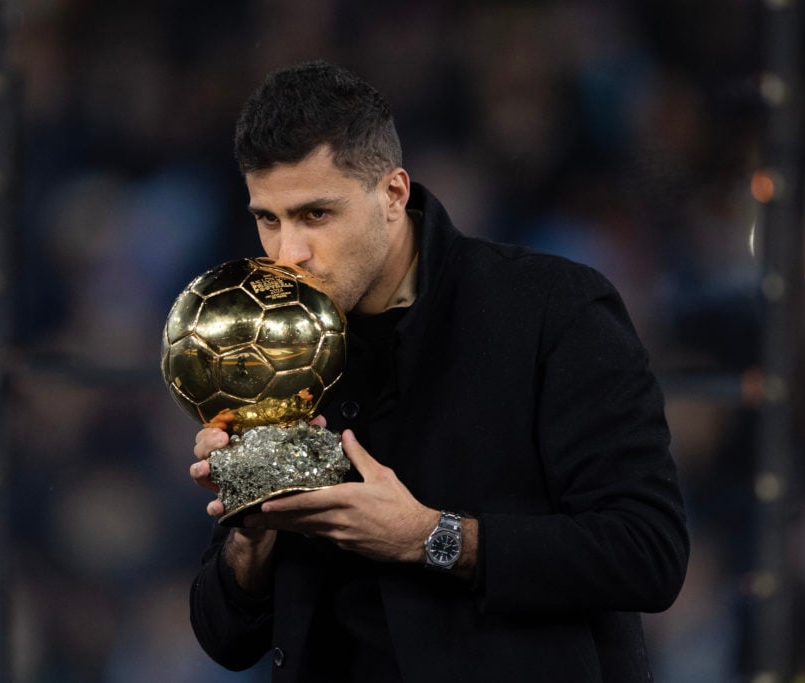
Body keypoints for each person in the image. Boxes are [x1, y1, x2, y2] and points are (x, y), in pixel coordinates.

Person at [188, 60, 689, 682]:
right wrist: (251, 524)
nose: (288, 253)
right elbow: (225, 639)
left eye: (316, 215)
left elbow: (647, 552)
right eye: (269, 218)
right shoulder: (269, 349)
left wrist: (430, 537)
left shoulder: (551, 309)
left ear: (393, 195)